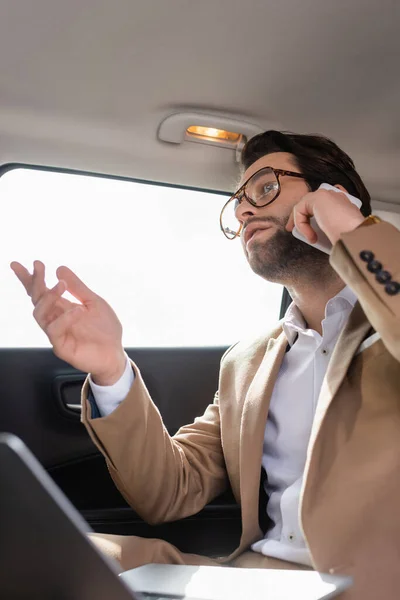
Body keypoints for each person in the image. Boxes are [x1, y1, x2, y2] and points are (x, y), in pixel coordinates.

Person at [11, 131, 400, 599]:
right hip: (256, 581)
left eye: (264, 189)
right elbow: (169, 491)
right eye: (238, 202)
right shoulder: (246, 362)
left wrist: (354, 231)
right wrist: (112, 369)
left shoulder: (386, 322)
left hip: (372, 586)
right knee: (49, 552)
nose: (243, 211)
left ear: (334, 195)